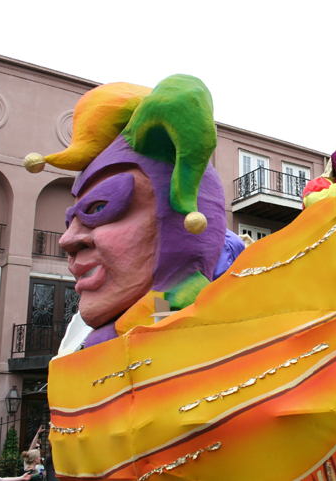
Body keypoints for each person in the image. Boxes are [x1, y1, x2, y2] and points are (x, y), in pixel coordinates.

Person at [24, 76, 230, 354]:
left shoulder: (191, 327)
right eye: (69, 221)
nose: (68, 240)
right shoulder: (99, 340)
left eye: (100, 208)